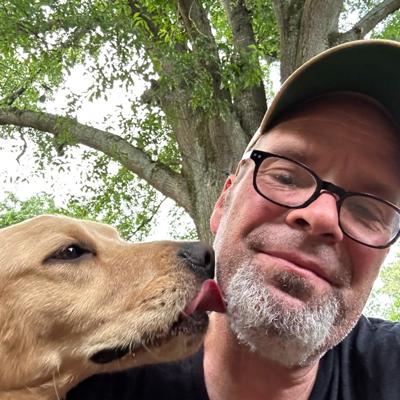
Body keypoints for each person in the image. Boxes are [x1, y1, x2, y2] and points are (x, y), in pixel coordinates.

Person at [67, 39, 400, 399]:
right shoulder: (85, 370)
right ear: (223, 201)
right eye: (286, 177)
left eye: (368, 211)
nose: (321, 216)